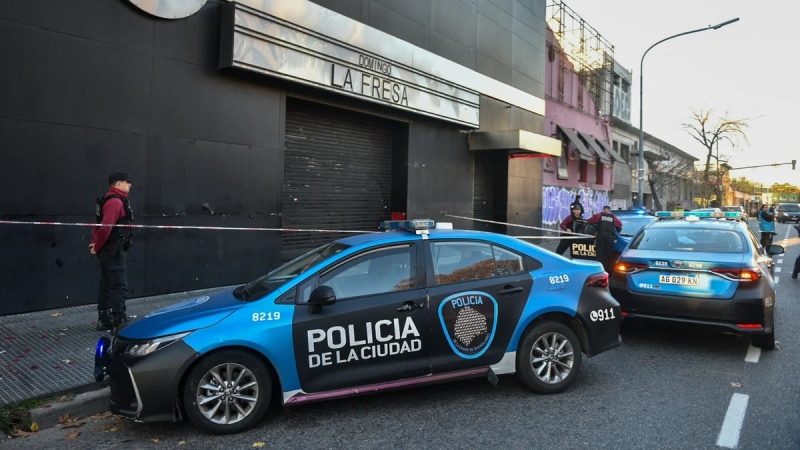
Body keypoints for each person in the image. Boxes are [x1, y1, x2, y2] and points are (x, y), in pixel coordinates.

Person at [90, 172, 134, 332]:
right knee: (118, 285)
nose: (130, 185)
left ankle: (104, 319)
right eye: (127, 182)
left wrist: (96, 244)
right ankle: (118, 323)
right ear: (118, 183)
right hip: (113, 250)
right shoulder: (115, 202)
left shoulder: (111, 199)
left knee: (106, 284)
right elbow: (105, 228)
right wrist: (97, 244)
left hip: (109, 249)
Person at [587, 205, 622, 273]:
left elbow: (589, 221)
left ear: (603, 210)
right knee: (607, 254)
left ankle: (598, 268)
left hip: (601, 236)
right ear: (609, 211)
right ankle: (605, 269)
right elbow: (619, 224)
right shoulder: (613, 217)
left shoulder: (599, 215)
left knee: (599, 253)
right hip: (609, 237)